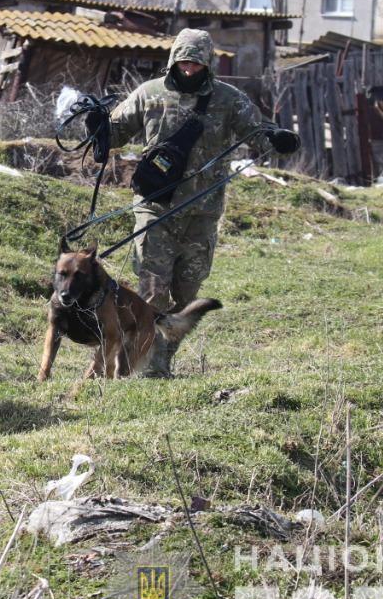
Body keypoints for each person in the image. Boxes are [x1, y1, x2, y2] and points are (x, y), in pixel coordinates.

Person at [92, 28, 299, 377]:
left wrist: (278, 140)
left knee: (186, 295)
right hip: (155, 210)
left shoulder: (229, 99)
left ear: (208, 65)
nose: (189, 70)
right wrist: (97, 127)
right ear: (174, 60)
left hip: (202, 215)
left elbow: (258, 132)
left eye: (196, 65)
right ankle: (141, 368)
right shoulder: (149, 94)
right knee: (152, 294)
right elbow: (112, 134)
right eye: (184, 63)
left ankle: (161, 360)